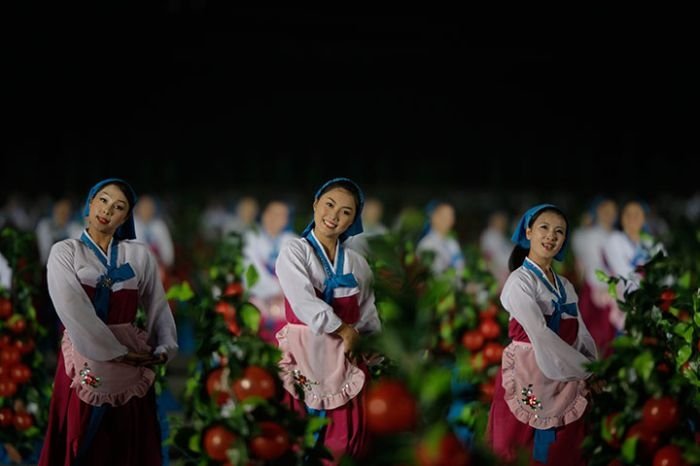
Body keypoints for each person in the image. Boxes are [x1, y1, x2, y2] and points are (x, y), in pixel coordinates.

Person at [38, 178, 178, 466]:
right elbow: (74, 312)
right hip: (87, 352)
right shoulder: (65, 252)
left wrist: (164, 346)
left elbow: (157, 305)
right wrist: (120, 353)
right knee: (85, 436)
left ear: (126, 217)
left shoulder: (138, 254)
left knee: (127, 439)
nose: (107, 210)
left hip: (133, 360)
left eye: (119, 207)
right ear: (89, 204)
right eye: (102, 200)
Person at [274, 177, 381, 464]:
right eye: (329, 205)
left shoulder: (357, 262)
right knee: (297, 439)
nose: (334, 216)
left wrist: (373, 345)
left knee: (342, 443)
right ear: (315, 205)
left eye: (345, 212)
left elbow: (368, 311)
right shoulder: (295, 251)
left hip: (343, 362)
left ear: (353, 221)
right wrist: (344, 330)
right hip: (304, 354)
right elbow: (303, 301)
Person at [486, 204, 598, 466]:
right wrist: (586, 370)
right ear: (528, 232)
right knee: (518, 449)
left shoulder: (566, 286)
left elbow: (581, 332)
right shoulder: (519, 282)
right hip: (530, 371)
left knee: (565, 450)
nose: (551, 236)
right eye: (544, 228)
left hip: (565, 374)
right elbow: (539, 332)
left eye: (559, 232)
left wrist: (593, 364)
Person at [242, 200, 298, 343]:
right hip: (257, 299)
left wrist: (284, 290)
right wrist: (275, 289)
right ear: (265, 215)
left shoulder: (293, 241)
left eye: (283, 215)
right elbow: (250, 270)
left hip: (284, 301)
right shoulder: (250, 238)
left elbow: (298, 273)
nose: (278, 218)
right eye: (274, 213)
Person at [415, 200, 465, 278]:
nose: (450, 220)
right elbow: (432, 276)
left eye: (452, 215)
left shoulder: (451, 241)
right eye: (445, 216)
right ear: (434, 218)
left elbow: (460, 267)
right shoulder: (427, 245)